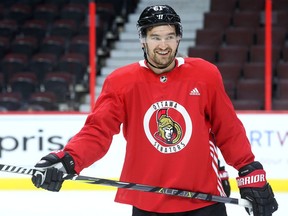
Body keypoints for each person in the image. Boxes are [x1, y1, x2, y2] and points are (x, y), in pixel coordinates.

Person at [31, 5, 278, 216]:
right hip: (147, 200)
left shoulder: (205, 74)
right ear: (143, 39)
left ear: (178, 38)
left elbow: (228, 128)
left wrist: (248, 168)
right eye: (155, 37)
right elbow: (98, 131)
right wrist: (69, 159)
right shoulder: (121, 82)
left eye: (170, 36)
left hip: (204, 198)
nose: (163, 45)